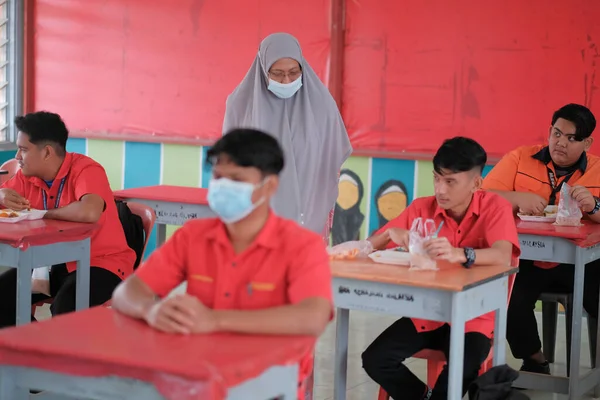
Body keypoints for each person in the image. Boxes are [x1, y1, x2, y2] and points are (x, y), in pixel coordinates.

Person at [112, 128, 333, 397]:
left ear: (270, 186)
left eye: (237, 179)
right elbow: (127, 292)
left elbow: (313, 317)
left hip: (270, 382)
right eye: (218, 177)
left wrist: (215, 321)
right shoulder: (194, 236)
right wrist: (150, 311)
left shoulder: (302, 246)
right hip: (198, 374)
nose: (223, 186)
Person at [360, 137, 520, 400]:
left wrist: (460, 254)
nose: (440, 189)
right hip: (429, 314)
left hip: (474, 320)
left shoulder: (495, 207)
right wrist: (389, 233)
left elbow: (503, 256)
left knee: (457, 375)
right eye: (436, 178)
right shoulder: (421, 208)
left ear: (476, 184)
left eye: (450, 181)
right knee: (375, 358)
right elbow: (370, 249)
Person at [482, 103, 600, 374]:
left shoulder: (597, 169)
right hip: (531, 258)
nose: (561, 143)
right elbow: (483, 198)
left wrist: (594, 206)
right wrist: (516, 198)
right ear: (549, 131)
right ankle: (535, 359)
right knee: (508, 294)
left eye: (572, 139)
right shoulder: (521, 158)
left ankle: (590, 376)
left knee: (596, 299)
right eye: (557, 134)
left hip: (583, 263)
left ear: (587, 142)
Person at [0, 111, 136, 327]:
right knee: (2, 296)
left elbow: (89, 212)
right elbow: (4, 199)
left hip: (101, 263)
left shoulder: (86, 169)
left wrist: (42, 214)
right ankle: (34, 349)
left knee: (66, 306)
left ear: (46, 152)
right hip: (49, 264)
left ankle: (57, 356)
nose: (17, 156)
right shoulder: (27, 176)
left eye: (24, 150)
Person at [222, 32, 352, 240]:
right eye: (277, 73)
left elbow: (332, 160)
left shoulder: (322, 105)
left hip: (309, 218)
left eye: (293, 72)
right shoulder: (240, 106)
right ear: (263, 69)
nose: (287, 80)